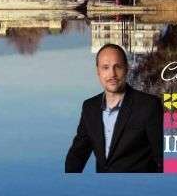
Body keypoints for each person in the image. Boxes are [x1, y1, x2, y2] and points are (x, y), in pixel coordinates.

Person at [64, 43, 163, 173]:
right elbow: (76, 156)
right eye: (105, 67)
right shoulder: (90, 107)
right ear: (98, 71)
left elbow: (162, 158)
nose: (112, 74)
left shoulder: (149, 105)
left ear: (126, 69)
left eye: (118, 67)